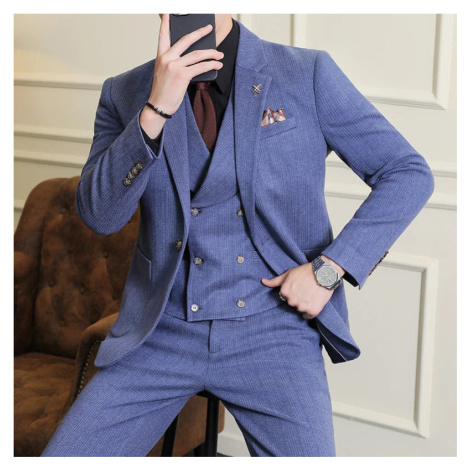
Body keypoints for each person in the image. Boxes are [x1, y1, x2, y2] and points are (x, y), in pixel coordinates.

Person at [41, 13, 434, 457]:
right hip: (161, 333)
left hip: (275, 331)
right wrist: (155, 110)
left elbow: (407, 172)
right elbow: (100, 216)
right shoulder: (125, 92)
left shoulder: (306, 73)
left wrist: (328, 271)